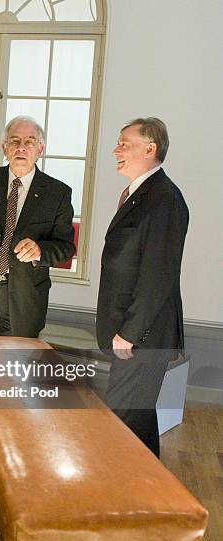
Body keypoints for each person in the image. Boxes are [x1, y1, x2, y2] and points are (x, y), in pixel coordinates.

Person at [97, 117, 188, 457]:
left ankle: (123, 499)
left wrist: (131, 332)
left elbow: (158, 274)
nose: (115, 150)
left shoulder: (163, 198)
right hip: (135, 335)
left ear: (150, 149)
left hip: (142, 337)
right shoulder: (143, 194)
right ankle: (151, 499)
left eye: (125, 143)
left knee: (123, 423)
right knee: (137, 419)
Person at [0, 116, 75, 337]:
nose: (21, 147)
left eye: (29, 142)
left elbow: (66, 248)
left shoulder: (58, 193)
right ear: (4, 147)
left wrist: (40, 250)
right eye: (14, 141)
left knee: (14, 366)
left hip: (24, 297)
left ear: (40, 149)